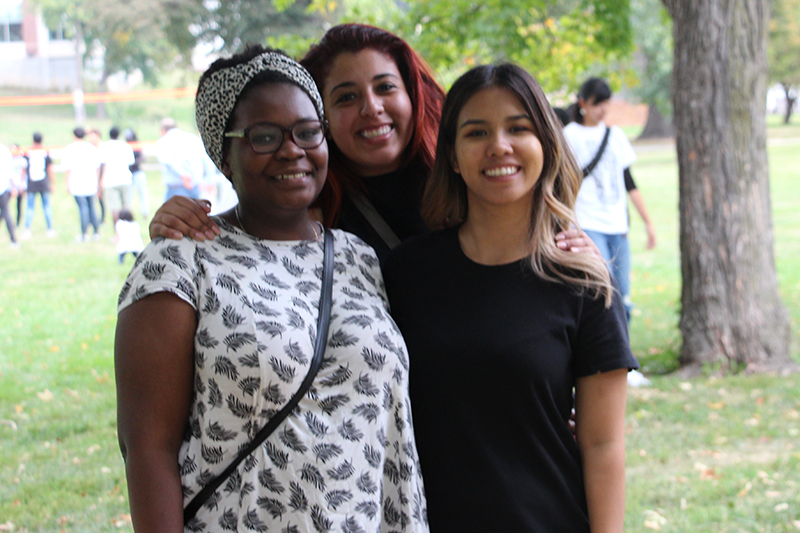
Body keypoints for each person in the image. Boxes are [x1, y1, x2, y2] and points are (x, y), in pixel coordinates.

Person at [115, 45, 428, 533]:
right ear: (224, 154)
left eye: (308, 132)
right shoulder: (179, 261)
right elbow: (146, 448)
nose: (292, 150)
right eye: (263, 136)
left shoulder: (357, 257)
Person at [383, 63, 638, 533]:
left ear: (545, 143)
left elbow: (603, 445)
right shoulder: (403, 273)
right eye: (476, 132)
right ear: (454, 157)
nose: (499, 145)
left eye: (518, 128)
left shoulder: (583, 281)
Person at [148, 24, 597, 260]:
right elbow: (246, 241)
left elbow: (540, 255)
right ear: (318, 116)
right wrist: (181, 221)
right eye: (346, 97)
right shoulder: (309, 206)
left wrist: (573, 246)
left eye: (385, 88)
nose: (372, 109)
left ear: (412, 95)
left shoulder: (470, 176)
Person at [563, 77, 657, 320]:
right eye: (597, 104)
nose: (603, 109)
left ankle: (622, 349)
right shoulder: (569, 136)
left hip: (617, 224)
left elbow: (629, 182)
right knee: (602, 290)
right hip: (587, 223)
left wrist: (648, 222)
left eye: (606, 103)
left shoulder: (615, 136)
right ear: (583, 103)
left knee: (623, 295)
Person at [153, 117, 216, 202]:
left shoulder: (162, 142)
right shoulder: (193, 138)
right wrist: (210, 180)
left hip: (177, 188)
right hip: (195, 187)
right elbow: (208, 160)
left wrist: (183, 175)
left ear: (163, 130)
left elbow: (169, 162)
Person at [62, 127, 101, 242]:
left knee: (83, 208)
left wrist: (67, 183)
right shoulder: (91, 148)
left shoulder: (69, 148)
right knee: (92, 207)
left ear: (74, 135)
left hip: (77, 183)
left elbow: (67, 168)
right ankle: (96, 233)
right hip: (91, 182)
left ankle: (84, 234)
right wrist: (97, 182)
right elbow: (97, 167)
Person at [20, 132, 55, 239]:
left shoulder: (28, 152)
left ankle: (27, 229)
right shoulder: (45, 152)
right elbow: (50, 169)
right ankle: (50, 229)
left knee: (30, 207)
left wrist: (21, 183)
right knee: (46, 206)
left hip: (32, 182)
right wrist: (53, 183)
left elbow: (24, 169)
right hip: (44, 182)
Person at [98, 126, 135, 222]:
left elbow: (103, 165)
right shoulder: (126, 146)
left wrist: (100, 181)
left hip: (110, 181)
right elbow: (131, 163)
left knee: (114, 209)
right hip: (125, 179)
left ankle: (117, 232)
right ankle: (128, 229)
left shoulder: (104, 146)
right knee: (127, 207)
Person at [124, 129, 150, 219]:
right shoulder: (125, 146)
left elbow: (143, 158)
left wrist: (133, 162)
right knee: (128, 196)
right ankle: (127, 214)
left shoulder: (137, 145)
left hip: (138, 172)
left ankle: (145, 212)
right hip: (128, 173)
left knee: (142, 193)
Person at [0, 142, 20, 247]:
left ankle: (13, 239)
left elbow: (10, 170)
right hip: (3, 187)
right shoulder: (4, 150)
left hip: (3, 187)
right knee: (5, 212)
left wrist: (13, 187)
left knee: (5, 212)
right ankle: (13, 240)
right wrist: (13, 187)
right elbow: (11, 170)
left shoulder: (4, 150)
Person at [9, 143, 26, 228]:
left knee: (19, 206)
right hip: (10, 186)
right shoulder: (8, 160)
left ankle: (18, 224)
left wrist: (20, 186)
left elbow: (23, 174)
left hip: (19, 185)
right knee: (5, 206)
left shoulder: (21, 160)